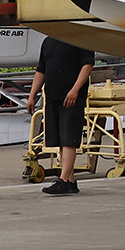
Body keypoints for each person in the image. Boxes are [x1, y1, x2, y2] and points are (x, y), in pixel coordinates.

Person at [27, 37, 96, 196]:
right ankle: (70, 181)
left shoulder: (81, 38)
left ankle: (63, 179)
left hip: (71, 96)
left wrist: (75, 89)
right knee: (59, 139)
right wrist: (32, 95)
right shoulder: (47, 42)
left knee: (69, 137)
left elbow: (87, 64)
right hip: (53, 95)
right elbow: (41, 70)